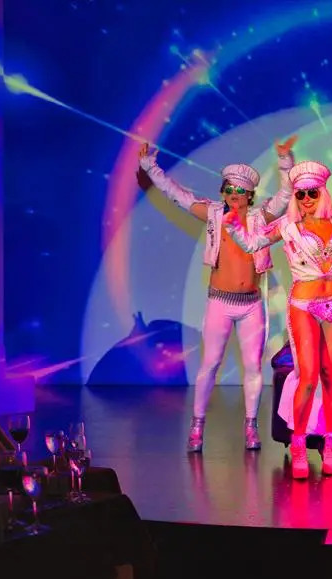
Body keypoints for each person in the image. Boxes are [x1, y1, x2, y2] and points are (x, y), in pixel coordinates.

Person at [138, 136, 297, 452]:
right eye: (229, 190)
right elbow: (176, 194)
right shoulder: (212, 214)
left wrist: (284, 161)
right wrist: (150, 167)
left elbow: (285, 195)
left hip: (251, 305)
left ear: (250, 195)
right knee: (209, 364)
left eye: (240, 191)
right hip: (219, 303)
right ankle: (197, 426)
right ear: (223, 192)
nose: (234, 195)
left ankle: (250, 427)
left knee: (253, 368)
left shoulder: (259, 218)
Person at [224, 160, 332, 478]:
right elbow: (253, 243)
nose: (307, 199)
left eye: (312, 193)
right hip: (304, 305)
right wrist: (235, 227)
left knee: (331, 374)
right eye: (300, 194)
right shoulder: (286, 225)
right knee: (307, 376)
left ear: (322, 193)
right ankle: (298, 443)